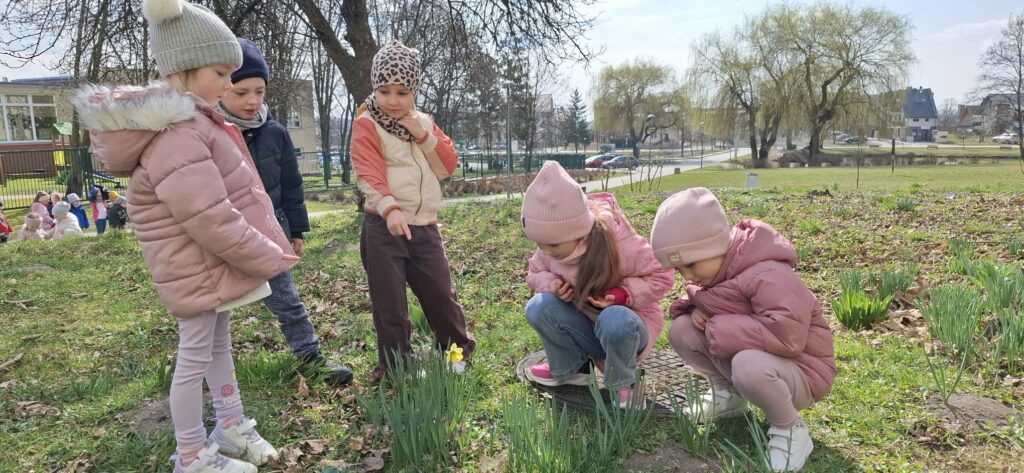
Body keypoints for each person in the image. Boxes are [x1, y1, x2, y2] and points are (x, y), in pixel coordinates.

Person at [72, 1, 297, 471]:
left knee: (217, 345)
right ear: (185, 68)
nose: (228, 84)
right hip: (192, 264)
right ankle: (192, 454)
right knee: (193, 356)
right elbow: (208, 215)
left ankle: (230, 425)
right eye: (221, 72)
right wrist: (266, 255)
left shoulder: (192, 122)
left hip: (204, 264)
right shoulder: (178, 136)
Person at [649, 187, 836, 472]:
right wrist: (697, 310)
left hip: (802, 371)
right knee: (683, 330)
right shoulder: (715, 270)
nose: (686, 276)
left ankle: (790, 429)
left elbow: (788, 338)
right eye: (678, 270)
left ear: (714, 246)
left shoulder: (767, 273)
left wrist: (719, 325)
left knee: (748, 364)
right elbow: (710, 302)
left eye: (690, 264)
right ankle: (730, 395)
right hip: (756, 363)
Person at [217, 37, 351, 385]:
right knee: (212, 307)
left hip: (269, 230)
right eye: (241, 91)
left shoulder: (275, 133)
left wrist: (295, 231)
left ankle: (311, 358)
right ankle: (206, 366)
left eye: (259, 91)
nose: (251, 100)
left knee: (287, 300)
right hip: (222, 232)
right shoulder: (210, 133)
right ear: (220, 89)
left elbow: (292, 186)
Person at [351, 39, 475, 382]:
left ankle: (456, 355)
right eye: (384, 90)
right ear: (374, 89)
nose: (392, 100)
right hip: (383, 227)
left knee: (440, 298)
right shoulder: (366, 123)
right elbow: (368, 171)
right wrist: (389, 209)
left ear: (414, 92)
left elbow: (446, 166)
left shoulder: (423, 122)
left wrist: (424, 134)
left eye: (402, 92)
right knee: (390, 304)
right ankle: (397, 367)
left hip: (423, 227)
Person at [520, 161, 674, 407]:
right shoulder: (549, 248)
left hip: (627, 329)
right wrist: (552, 284)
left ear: (578, 230)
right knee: (538, 306)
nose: (547, 252)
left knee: (615, 318)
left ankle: (624, 382)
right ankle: (573, 369)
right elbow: (534, 273)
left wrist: (623, 294)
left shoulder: (620, 244)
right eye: (540, 245)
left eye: (554, 246)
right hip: (585, 326)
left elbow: (662, 275)